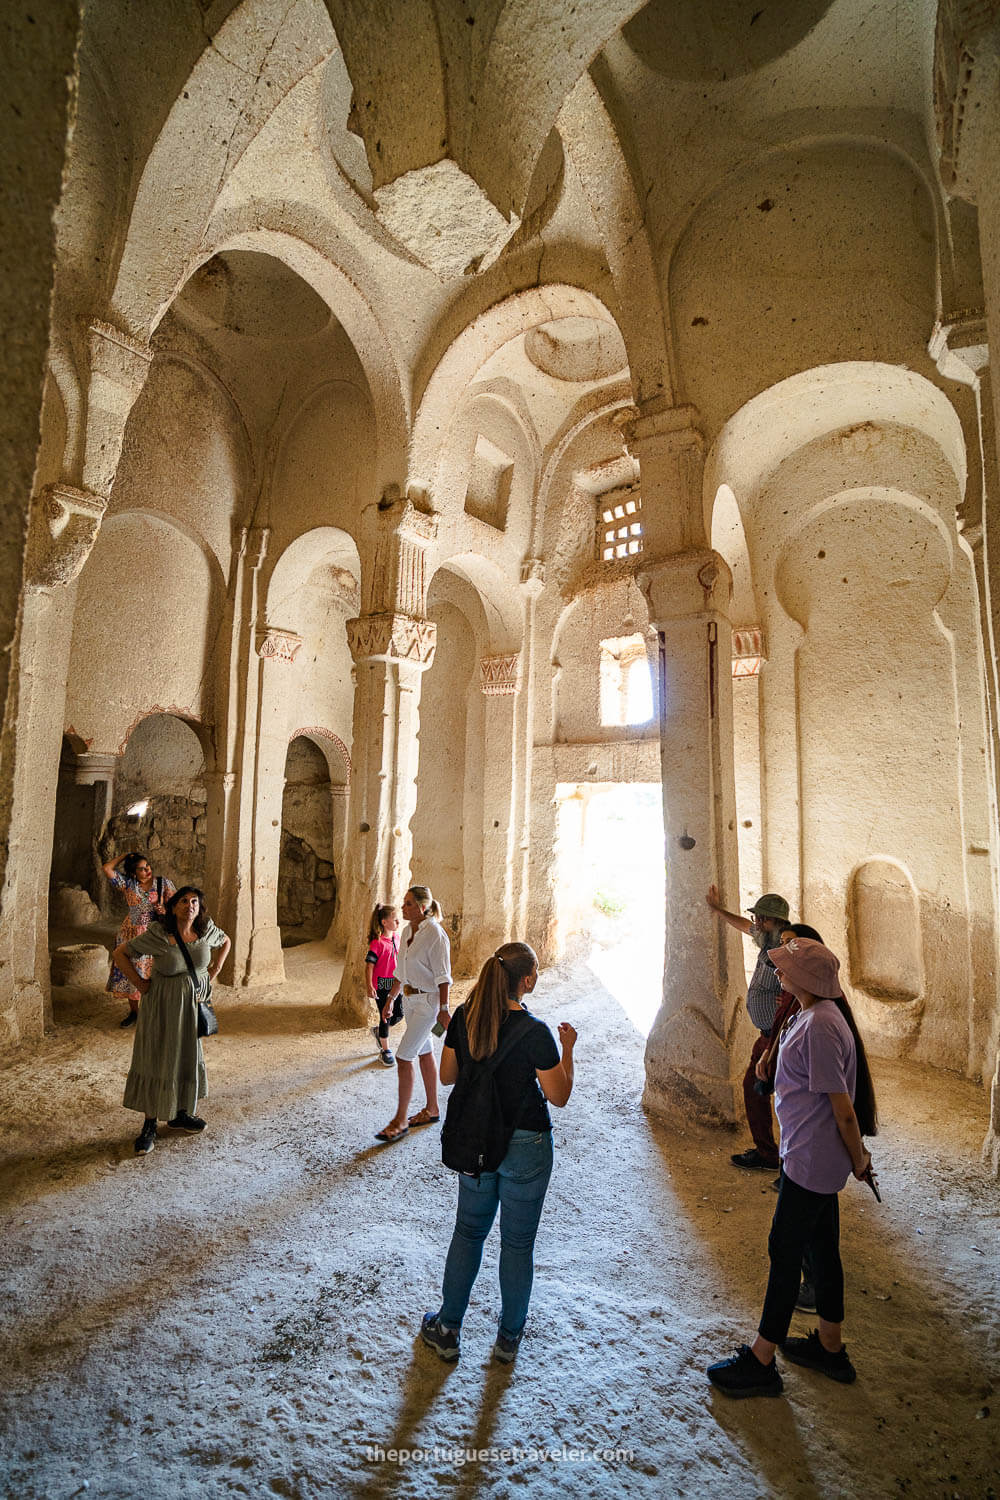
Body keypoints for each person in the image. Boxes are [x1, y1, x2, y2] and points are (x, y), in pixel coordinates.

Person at [707, 936, 878, 1397]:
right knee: (821, 1251)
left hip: (812, 1162)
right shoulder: (812, 1014)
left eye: (785, 968)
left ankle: (762, 1361)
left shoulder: (821, 1024)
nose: (778, 973)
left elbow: (842, 1108)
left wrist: (859, 1158)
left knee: (784, 1253)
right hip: (810, 1157)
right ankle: (831, 1348)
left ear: (807, 978)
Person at [420, 942, 577, 1364]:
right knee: (518, 1243)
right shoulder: (537, 1032)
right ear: (526, 981)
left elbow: (448, 1077)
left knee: (468, 1233)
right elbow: (558, 1096)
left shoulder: (466, 1019)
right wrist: (569, 1050)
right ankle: (508, 1338)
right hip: (526, 1144)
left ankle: (448, 1327)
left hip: (476, 1141)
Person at [113, 886, 231, 1156]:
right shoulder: (159, 934)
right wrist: (140, 985)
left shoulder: (205, 930)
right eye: (183, 902)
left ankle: (179, 1114)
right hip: (163, 1006)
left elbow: (226, 941)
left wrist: (215, 969)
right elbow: (121, 954)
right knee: (157, 1058)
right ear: (173, 906)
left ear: (200, 908)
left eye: (194, 902)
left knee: (184, 1056)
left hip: (191, 1006)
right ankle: (150, 1124)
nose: (189, 906)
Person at [705, 885, 791, 1171]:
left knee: (787, 1097)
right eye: (757, 918)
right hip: (766, 1036)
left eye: (762, 919)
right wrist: (717, 910)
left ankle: (789, 1164)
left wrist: (789, 1000)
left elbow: (803, 988)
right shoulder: (767, 940)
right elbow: (744, 926)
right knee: (756, 1089)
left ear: (777, 922)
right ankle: (767, 1154)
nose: (756, 923)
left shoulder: (785, 951)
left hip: (780, 1038)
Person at [374, 886, 452, 1143]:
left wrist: (443, 1009)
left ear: (422, 907)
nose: (403, 907)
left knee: (403, 1056)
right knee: (424, 1052)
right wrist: (391, 1000)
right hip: (409, 1000)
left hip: (428, 1003)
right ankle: (432, 1109)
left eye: (408, 904)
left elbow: (443, 977)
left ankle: (400, 1120)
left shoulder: (436, 935)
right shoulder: (407, 931)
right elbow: (400, 971)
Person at [103, 850, 176, 1027]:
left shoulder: (163, 883)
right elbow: (107, 868)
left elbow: (176, 906)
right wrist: (126, 855)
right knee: (131, 974)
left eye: (147, 866)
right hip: (130, 934)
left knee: (155, 973)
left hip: (155, 934)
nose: (147, 870)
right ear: (133, 873)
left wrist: (165, 911)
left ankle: (156, 1012)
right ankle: (135, 1012)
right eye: (141, 869)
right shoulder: (128, 884)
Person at [366, 903, 401, 1066]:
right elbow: (369, 966)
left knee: (399, 1014)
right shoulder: (377, 943)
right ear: (384, 922)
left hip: (395, 984)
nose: (398, 922)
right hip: (381, 985)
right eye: (395, 919)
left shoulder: (397, 938)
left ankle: (379, 1032)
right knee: (385, 1016)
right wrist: (369, 986)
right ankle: (385, 1050)